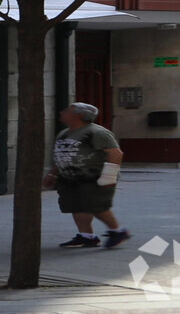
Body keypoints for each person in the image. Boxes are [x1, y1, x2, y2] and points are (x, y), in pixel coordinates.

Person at [44, 101, 128, 249]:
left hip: (93, 177)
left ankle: (118, 231)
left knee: (97, 207)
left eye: (67, 111)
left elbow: (115, 154)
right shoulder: (65, 133)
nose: (62, 113)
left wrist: (109, 176)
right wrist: (53, 174)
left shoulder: (97, 132)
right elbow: (64, 155)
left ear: (79, 115)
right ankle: (87, 236)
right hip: (70, 178)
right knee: (77, 206)